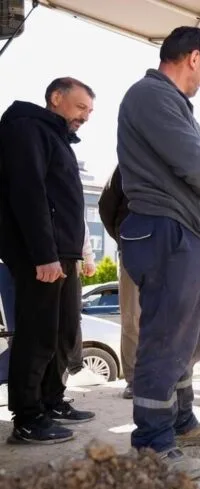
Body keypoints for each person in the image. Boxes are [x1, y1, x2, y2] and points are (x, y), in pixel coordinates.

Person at [117, 26, 200, 473]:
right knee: (166, 336)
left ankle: (180, 420)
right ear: (194, 57)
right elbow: (195, 163)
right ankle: (152, 440)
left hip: (181, 233)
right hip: (164, 231)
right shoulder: (152, 96)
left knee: (188, 337)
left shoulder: (167, 102)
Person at [0, 77, 97, 444]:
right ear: (56, 98)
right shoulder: (27, 128)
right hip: (40, 254)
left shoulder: (55, 135)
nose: (85, 117)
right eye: (79, 107)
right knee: (36, 333)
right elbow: (29, 193)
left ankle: (51, 401)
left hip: (62, 253)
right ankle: (27, 418)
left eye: (89, 112)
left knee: (59, 334)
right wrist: (44, 254)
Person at [98, 165, 139, 399]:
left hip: (168, 252)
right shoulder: (125, 163)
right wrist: (123, 237)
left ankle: (163, 376)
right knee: (132, 317)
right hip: (132, 249)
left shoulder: (174, 156)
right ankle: (134, 380)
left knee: (166, 317)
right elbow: (106, 206)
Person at [65, 221, 107, 387]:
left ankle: (76, 369)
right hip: (41, 258)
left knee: (73, 319)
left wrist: (88, 258)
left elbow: (79, 223)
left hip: (70, 260)